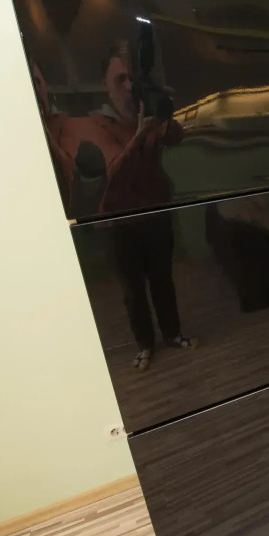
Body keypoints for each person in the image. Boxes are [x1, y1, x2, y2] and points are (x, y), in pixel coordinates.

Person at [78, 41, 196, 371]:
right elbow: (111, 177)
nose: (129, 87)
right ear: (105, 85)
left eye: (133, 78)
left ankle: (172, 334)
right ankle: (145, 344)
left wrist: (163, 114)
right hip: (116, 223)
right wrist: (139, 136)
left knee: (162, 280)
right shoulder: (95, 124)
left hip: (155, 213)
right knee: (133, 290)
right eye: (120, 80)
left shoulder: (145, 114)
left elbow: (177, 136)